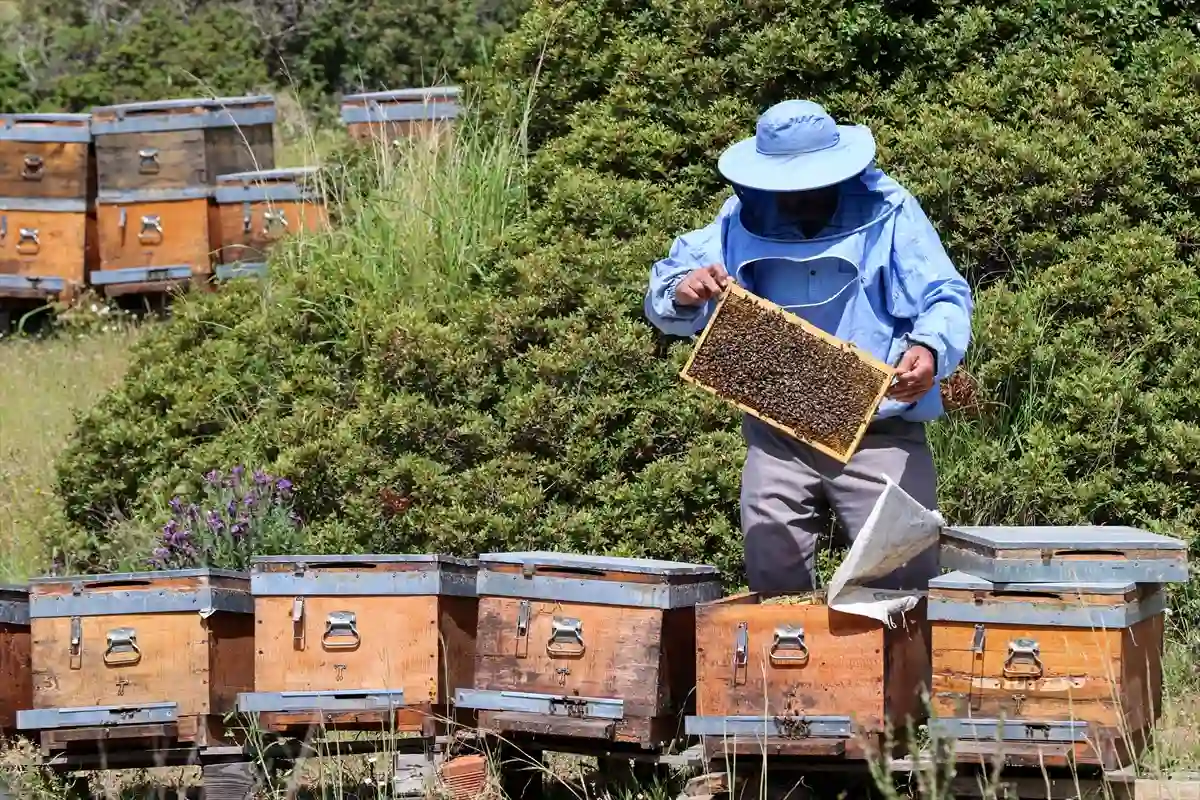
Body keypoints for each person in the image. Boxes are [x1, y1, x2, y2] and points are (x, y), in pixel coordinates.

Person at [645, 99, 974, 593]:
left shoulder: (889, 209)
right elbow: (668, 285)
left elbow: (943, 294)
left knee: (901, 583)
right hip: (777, 432)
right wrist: (683, 290)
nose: (799, 197)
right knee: (775, 583)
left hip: (879, 429)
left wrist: (928, 349)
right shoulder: (738, 217)